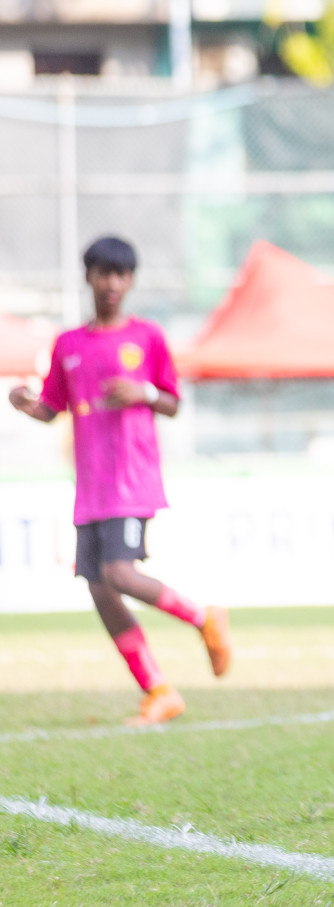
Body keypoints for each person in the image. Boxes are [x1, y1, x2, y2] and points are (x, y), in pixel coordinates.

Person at [8, 236, 231, 725]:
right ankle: (158, 690)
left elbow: (172, 402)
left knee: (119, 573)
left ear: (130, 281)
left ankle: (203, 617)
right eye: (104, 274)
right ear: (89, 276)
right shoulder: (68, 344)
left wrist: (143, 391)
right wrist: (27, 405)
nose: (112, 284)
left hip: (131, 479)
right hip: (89, 486)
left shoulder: (147, 338)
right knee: (100, 588)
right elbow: (52, 408)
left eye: (121, 275)